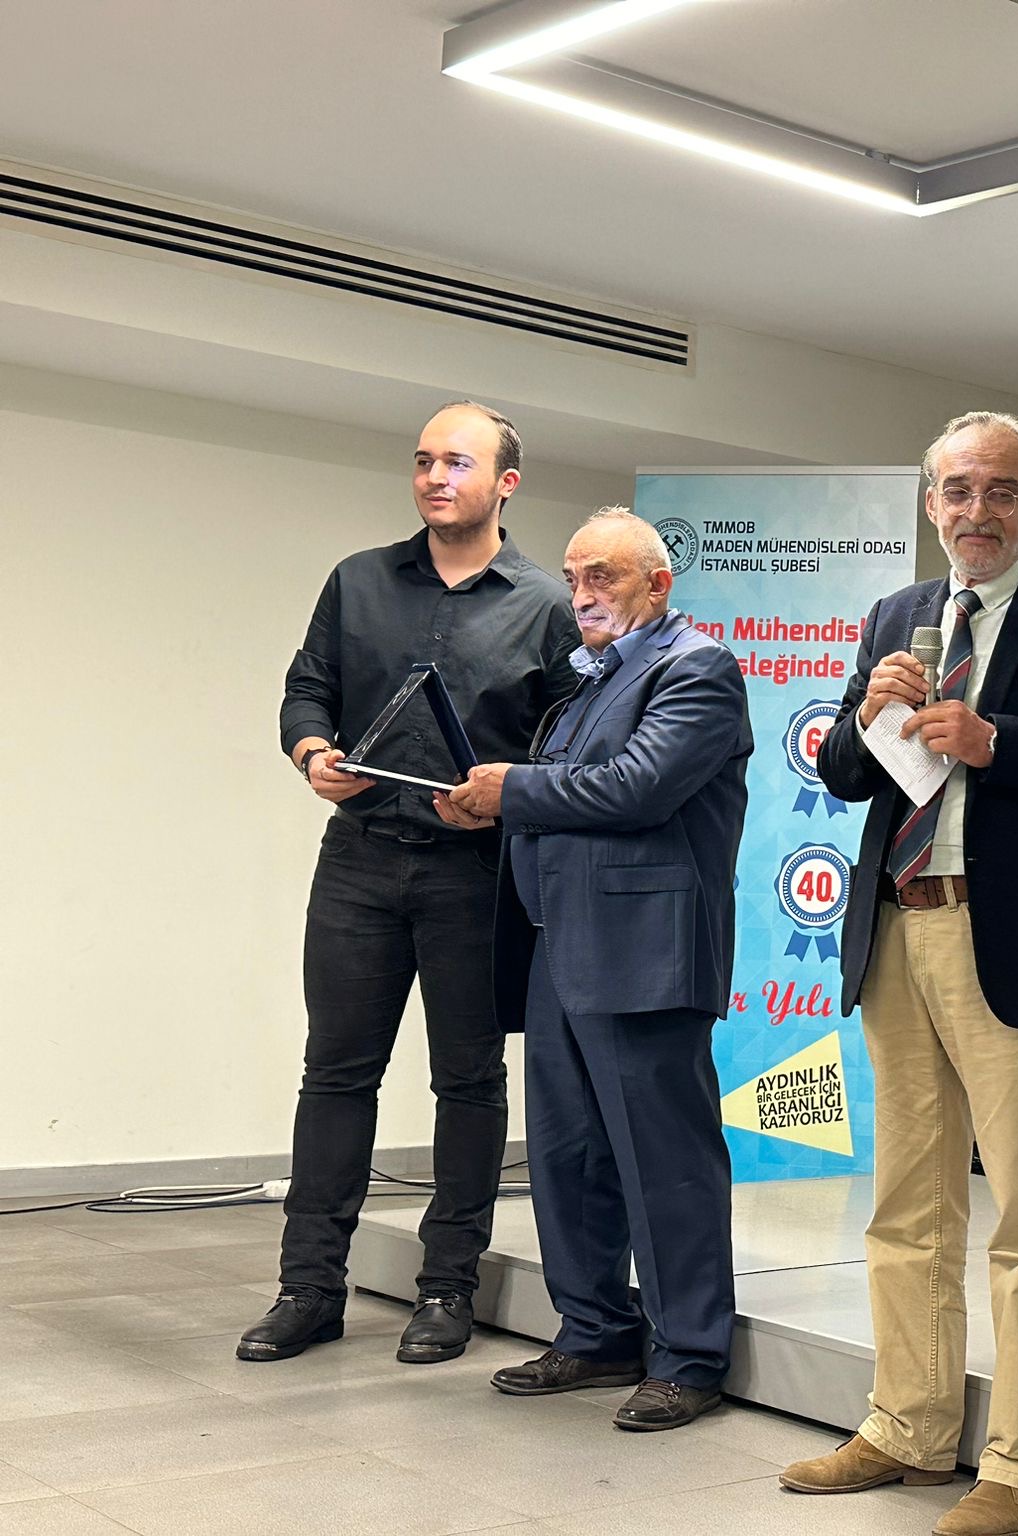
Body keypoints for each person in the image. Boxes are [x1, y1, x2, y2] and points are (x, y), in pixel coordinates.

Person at [777, 412, 1018, 1536]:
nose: (975, 511)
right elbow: (846, 776)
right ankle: (907, 1425)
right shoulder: (897, 614)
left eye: (999, 490)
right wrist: (865, 715)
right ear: (931, 504)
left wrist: (1000, 743)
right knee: (907, 1204)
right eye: (956, 490)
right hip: (898, 927)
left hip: (1013, 940)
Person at [241, 401, 576, 1366]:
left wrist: (506, 797)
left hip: (476, 873)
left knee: (468, 1080)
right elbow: (306, 688)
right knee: (335, 1074)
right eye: (425, 460)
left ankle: (447, 1288)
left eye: (458, 463)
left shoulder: (547, 605)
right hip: (359, 860)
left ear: (505, 483)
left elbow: (572, 744)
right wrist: (312, 750)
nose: (435, 477)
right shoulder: (358, 580)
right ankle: (310, 1289)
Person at [449, 507, 751, 1433]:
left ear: (658, 584)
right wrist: (492, 803)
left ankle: (689, 1355)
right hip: (560, 944)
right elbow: (568, 800)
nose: (581, 594)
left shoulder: (697, 668)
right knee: (568, 1157)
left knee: (665, 1163)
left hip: (645, 953)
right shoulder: (591, 679)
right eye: (575, 576)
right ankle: (595, 1332)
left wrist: (513, 788)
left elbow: (638, 787)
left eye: (604, 577)